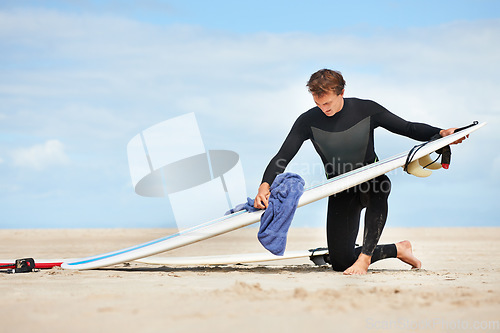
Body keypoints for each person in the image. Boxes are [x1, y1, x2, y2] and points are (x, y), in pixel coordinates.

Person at [253, 69, 466, 275]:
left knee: (380, 187)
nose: (323, 109)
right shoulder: (307, 121)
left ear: (341, 93)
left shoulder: (366, 110)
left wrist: (441, 132)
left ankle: (365, 258)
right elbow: (283, 156)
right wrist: (265, 186)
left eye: (327, 103)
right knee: (341, 262)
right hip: (340, 188)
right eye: (317, 104)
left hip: (371, 178)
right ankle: (399, 248)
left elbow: (408, 128)